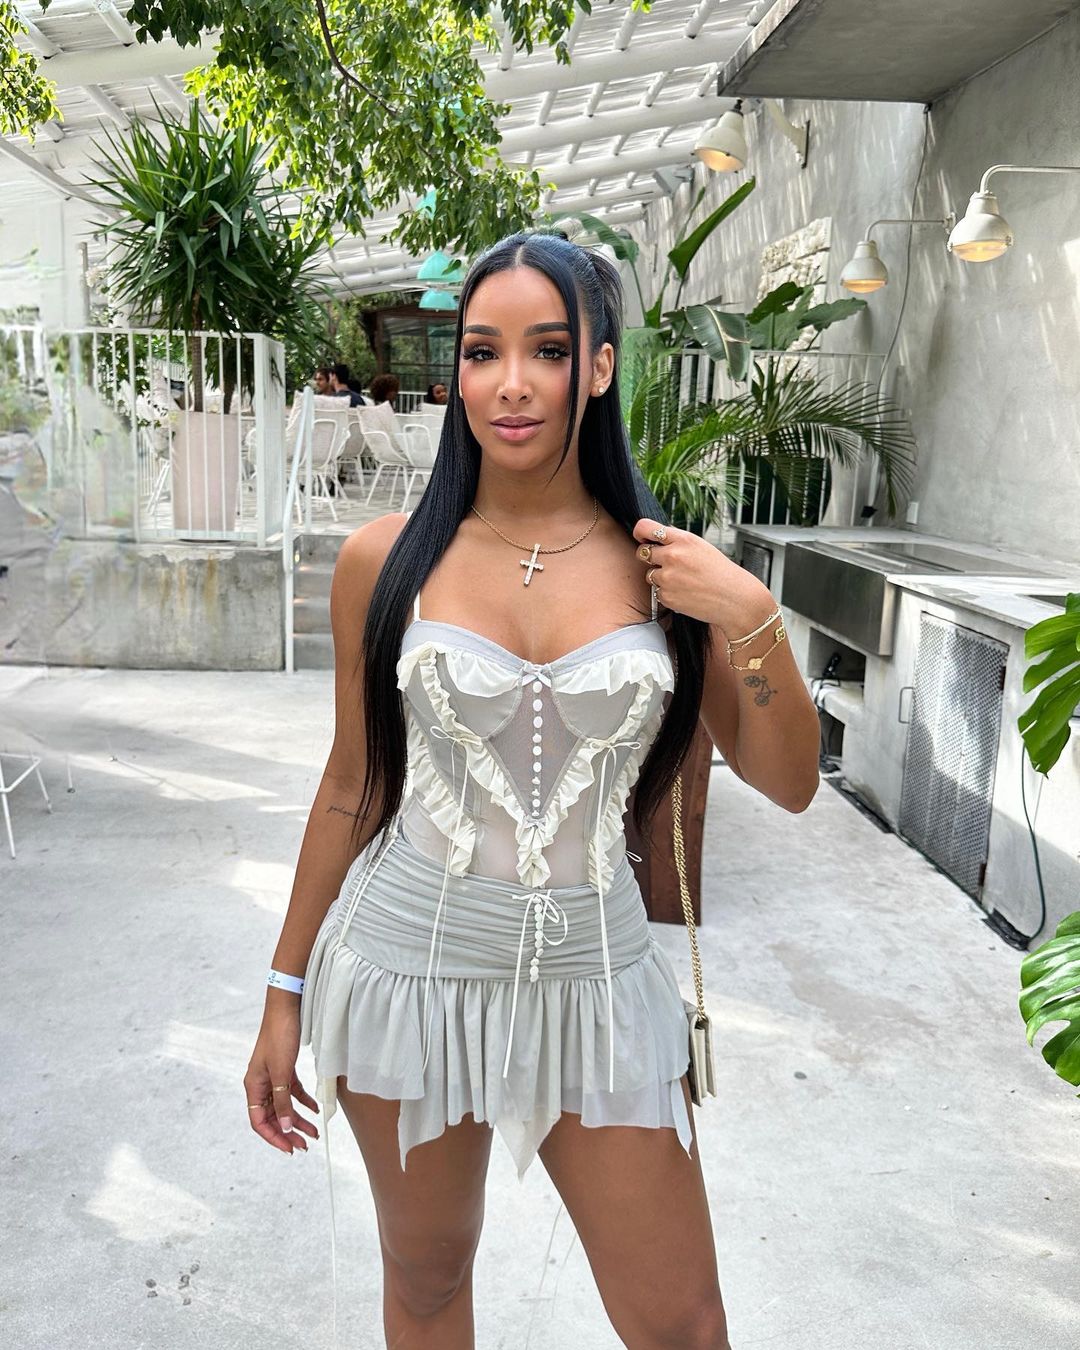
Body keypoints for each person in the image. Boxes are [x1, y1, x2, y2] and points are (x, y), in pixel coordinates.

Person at [245, 231, 821, 1348]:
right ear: (457, 372)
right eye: (483, 352)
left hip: (599, 984)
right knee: (426, 1281)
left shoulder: (669, 575)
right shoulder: (386, 561)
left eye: (548, 351)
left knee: (684, 1325)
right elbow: (353, 785)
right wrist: (283, 989)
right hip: (406, 969)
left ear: (598, 366)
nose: (512, 383)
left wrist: (751, 613)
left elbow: (790, 783)